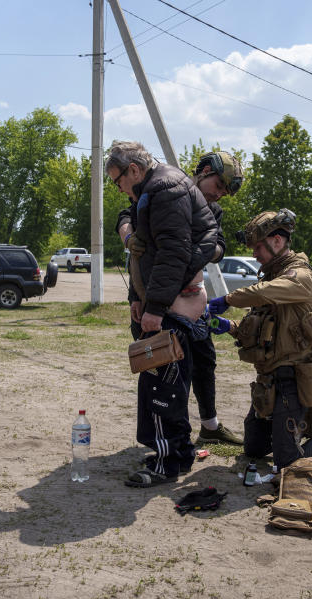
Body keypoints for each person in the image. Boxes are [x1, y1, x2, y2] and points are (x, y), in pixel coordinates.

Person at [207, 210, 312, 471]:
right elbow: (260, 325)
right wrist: (229, 327)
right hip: (268, 379)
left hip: (292, 378)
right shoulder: (271, 275)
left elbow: (265, 293)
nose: (255, 254)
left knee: (289, 461)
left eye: (258, 246)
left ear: (278, 241)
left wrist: (227, 300)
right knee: (254, 449)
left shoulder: (299, 277)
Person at [105, 140, 219, 487]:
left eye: (117, 179)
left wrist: (154, 307)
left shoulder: (164, 188)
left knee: (161, 383)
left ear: (134, 170)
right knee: (166, 381)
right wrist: (136, 297)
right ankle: (176, 453)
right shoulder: (153, 189)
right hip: (165, 300)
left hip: (171, 306)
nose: (118, 187)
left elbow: (172, 252)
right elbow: (146, 253)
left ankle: (168, 462)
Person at [116, 151, 245, 446]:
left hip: (187, 298)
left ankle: (209, 426)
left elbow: (217, 246)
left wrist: (197, 245)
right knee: (165, 367)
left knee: (203, 360)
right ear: (202, 171)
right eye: (219, 185)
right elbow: (130, 224)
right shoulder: (165, 190)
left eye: (226, 190)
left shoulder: (210, 210)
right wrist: (136, 293)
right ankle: (168, 441)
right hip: (158, 300)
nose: (221, 194)